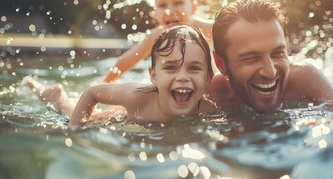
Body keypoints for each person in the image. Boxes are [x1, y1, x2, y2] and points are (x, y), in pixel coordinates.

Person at [24, 25, 217, 127]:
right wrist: (75, 131)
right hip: (119, 115)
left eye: (193, 68)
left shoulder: (208, 110)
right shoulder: (137, 96)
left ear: (208, 78)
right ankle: (56, 96)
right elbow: (93, 93)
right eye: (171, 68)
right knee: (71, 115)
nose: (182, 77)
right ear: (154, 77)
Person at [208, 0, 333, 114]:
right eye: (251, 58)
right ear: (221, 64)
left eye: (278, 53)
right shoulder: (213, 93)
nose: (270, 72)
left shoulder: (305, 79)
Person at [102, 0, 214, 83]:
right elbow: (125, 61)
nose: (170, 11)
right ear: (155, 12)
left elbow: (226, 31)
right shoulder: (157, 35)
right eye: (162, 5)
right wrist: (102, 85)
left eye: (178, 3)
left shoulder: (200, 28)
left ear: (193, 8)